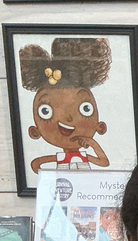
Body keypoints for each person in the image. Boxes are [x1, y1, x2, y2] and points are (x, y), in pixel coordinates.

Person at [18, 36, 111, 175]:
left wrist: (92, 143)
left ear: (100, 126)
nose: (68, 118)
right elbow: (36, 164)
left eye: (86, 109)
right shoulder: (61, 158)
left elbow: (104, 162)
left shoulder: (84, 157)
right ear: (34, 131)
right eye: (46, 111)